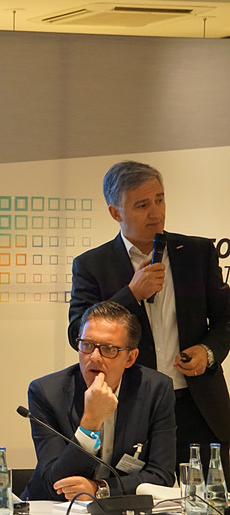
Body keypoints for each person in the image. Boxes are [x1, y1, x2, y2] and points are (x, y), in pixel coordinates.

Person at [68, 160, 230, 478]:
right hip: (133, 405)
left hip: (197, 405)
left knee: (206, 497)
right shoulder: (92, 265)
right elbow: (78, 332)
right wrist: (131, 294)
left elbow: (226, 320)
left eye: (160, 199)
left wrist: (208, 351)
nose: (156, 213)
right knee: (136, 492)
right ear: (115, 212)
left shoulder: (197, 253)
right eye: (142, 205)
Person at [23, 301, 176, 500]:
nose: (94, 357)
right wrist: (90, 424)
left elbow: (162, 475)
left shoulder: (156, 390)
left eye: (109, 349)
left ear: (130, 358)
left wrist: (100, 489)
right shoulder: (46, 393)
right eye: (87, 345)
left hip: (119, 507)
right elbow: (56, 484)